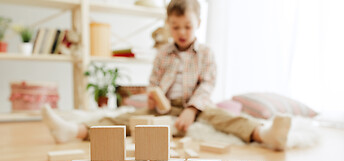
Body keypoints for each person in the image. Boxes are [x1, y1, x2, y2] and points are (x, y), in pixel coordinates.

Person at [42, 0, 291, 151]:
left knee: (225, 117)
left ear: (198, 24)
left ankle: (265, 134)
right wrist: (153, 97)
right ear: (167, 24)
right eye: (175, 26)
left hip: (198, 106)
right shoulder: (163, 53)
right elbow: (153, 83)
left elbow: (207, 85)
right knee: (126, 118)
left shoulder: (205, 53)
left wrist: (191, 110)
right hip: (163, 108)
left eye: (187, 26)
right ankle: (75, 131)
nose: (181, 32)